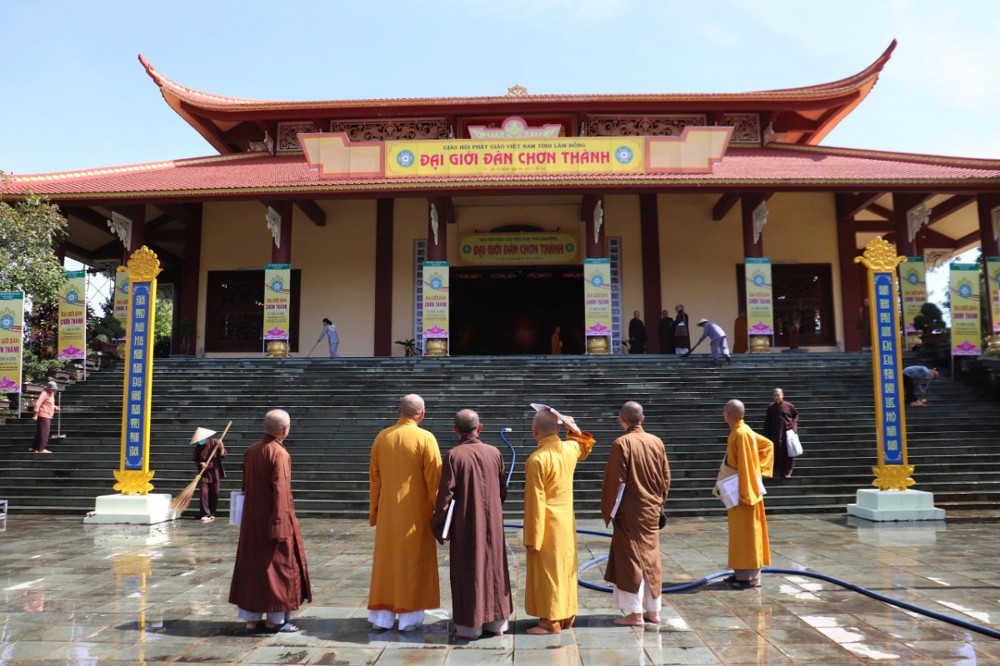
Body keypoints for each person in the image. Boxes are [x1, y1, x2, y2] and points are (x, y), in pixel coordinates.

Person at [430, 409, 512, 639]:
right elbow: (502, 489)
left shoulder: (453, 455)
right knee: (494, 567)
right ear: (480, 428)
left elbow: (445, 495)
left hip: (467, 522)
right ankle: (497, 624)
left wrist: (438, 524)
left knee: (469, 568)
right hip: (492, 521)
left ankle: (470, 627)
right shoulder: (494, 452)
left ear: (455, 429)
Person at [229, 409, 311, 634]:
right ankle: (275, 620)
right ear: (285, 430)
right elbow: (281, 492)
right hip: (273, 519)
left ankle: (251, 619)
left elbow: (245, 485)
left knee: (252, 568)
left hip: (252, 520)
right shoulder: (279, 453)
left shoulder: (252, 450)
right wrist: (281, 525)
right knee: (278, 569)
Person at [368, 394, 442, 631]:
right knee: (412, 562)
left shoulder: (382, 437)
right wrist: (440, 512)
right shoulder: (425, 438)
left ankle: (382, 618)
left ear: (399, 411)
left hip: (388, 512)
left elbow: (375, 479)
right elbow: (435, 480)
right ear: (422, 414)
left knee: (387, 562)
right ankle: (409, 619)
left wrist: (375, 511)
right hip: (416, 513)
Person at [523, 406, 595, 634]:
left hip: (547, 524)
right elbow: (584, 445)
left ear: (535, 431)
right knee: (565, 569)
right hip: (566, 522)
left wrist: (532, 537)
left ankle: (550, 621)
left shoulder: (537, 459)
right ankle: (567, 615)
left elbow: (535, 502)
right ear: (557, 429)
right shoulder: (569, 449)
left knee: (548, 573)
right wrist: (573, 428)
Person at [600, 401, 671, 627]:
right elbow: (665, 478)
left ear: (621, 419)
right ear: (642, 419)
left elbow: (615, 482)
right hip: (651, 509)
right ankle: (653, 610)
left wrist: (610, 511)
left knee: (630, 560)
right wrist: (659, 503)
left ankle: (635, 613)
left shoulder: (621, 443)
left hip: (630, 511)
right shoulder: (656, 441)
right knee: (651, 558)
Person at [721, 399, 774, 589]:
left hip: (744, 493)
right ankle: (741, 574)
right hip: (740, 488)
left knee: (747, 536)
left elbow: (745, 463)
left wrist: (747, 490)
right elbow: (767, 445)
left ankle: (749, 578)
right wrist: (757, 468)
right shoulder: (742, 430)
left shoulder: (741, 433)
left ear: (726, 414)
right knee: (741, 535)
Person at [191, 426, 227, 522]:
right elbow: (195, 459)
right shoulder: (199, 447)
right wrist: (201, 463)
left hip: (215, 472)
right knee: (203, 493)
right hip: (204, 473)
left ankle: (212, 513)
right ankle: (205, 513)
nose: (200, 441)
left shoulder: (215, 443)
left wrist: (221, 447)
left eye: (202, 439)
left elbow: (223, 455)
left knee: (214, 493)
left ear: (206, 437)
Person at [762, 389, 799, 479]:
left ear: (782, 395)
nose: (776, 397)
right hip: (775, 433)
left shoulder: (789, 406)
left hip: (787, 432)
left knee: (787, 452)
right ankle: (776, 469)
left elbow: (795, 415)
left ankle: (787, 471)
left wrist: (793, 427)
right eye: (774, 395)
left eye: (778, 395)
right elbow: (768, 421)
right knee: (776, 451)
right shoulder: (770, 407)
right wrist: (766, 434)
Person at [30, 381, 60, 453]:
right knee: (44, 433)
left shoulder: (51, 394)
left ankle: (34, 447)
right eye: (52, 389)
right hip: (43, 415)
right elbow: (38, 404)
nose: (53, 391)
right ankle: (41, 449)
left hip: (48, 415)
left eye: (54, 389)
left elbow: (48, 403)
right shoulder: (44, 393)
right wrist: (35, 414)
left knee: (40, 432)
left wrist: (55, 407)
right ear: (49, 388)